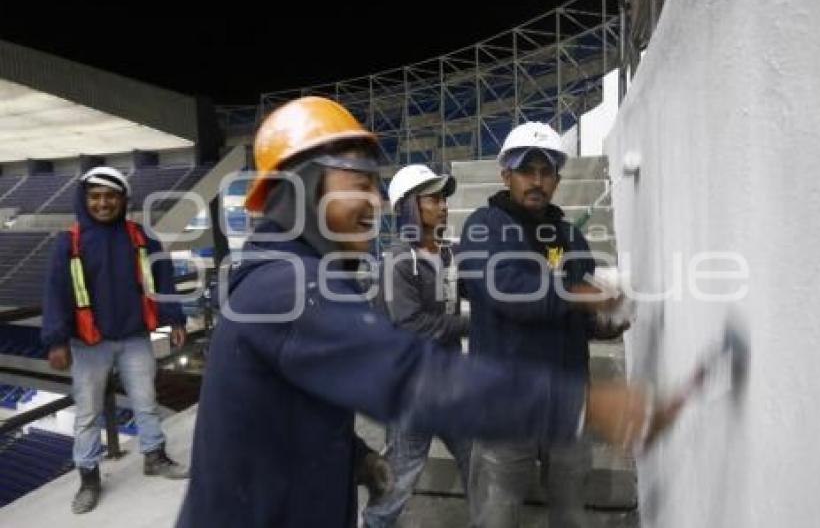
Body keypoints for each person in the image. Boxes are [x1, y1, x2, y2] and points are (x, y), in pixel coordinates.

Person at [176, 97, 671, 528]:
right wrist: (584, 405)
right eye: (360, 183)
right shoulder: (287, 286)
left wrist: (356, 456)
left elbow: (284, 410)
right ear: (301, 188)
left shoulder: (294, 276)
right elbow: (410, 375)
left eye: (377, 186)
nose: (375, 202)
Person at [459, 122, 630, 527]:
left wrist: (604, 324)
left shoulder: (571, 237)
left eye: (547, 171)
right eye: (526, 170)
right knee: (496, 514)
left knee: (571, 511)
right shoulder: (484, 227)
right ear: (506, 175)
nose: (537, 181)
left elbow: (577, 312)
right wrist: (582, 296)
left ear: (557, 178)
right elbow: (509, 290)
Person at [42, 166, 189, 514]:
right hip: (88, 344)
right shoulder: (69, 241)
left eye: (111, 196)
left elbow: (162, 276)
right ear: (85, 200)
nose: (103, 203)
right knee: (88, 413)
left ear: (123, 200)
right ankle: (89, 478)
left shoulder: (140, 236)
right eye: (95, 197)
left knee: (146, 400)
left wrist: (175, 318)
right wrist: (56, 341)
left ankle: (154, 456)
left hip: (135, 337)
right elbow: (56, 292)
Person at [362, 164, 471, 527]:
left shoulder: (445, 254)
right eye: (434, 199)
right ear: (409, 207)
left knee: (478, 461)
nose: (443, 206)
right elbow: (413, 327)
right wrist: (473, 323)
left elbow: (461, 292)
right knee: (399, 479)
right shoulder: (397, 262)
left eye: (444, 198)